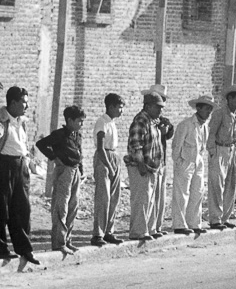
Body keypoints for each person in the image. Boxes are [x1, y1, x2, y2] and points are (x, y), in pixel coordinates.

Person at [36, 106, 86, 259]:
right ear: (69, 120)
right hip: (64, 171)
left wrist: (81, 170)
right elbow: (41, 144)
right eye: (79, 121)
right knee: (61, 207)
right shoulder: (59, 135)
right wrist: (54, 157)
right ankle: (59, 242)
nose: (81, 125)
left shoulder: (77, 135)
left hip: (75, 171)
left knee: (73, 206)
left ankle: (67, 240)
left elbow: (79, 152)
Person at [0, 86, 40, 270]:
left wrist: (30, 163)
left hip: (21, 166)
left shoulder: (21, 121)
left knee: (22, 209)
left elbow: (24, 146)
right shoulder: (2, 119)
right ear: (13, 102)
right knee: (3, 209)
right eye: (24, 102)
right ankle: (1, 248)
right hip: (4, 165)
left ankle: (25, 249)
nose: (27, 105)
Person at [172, 94, 216, 235]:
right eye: (206, 109)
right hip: (185, 161)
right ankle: (179, 224)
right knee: (182, 193)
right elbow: (176, 146)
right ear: (198, 108)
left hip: (198, 161)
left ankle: (194, 223)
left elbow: (202, 147)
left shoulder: (204, 127)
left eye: (210, 109)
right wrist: (179, 162)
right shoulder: (186, 125)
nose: (208, 112)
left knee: (197, 192)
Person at [125, 92, 165, 241]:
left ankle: (149, 228)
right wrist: (141, 163)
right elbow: (136, 145)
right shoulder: (141, 120)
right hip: (140, 166)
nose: (160, 110)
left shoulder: (153, 121)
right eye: (157, 107)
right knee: (141, 199)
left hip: (151, 167)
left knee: (150, 199)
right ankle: (138, 231)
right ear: (148, 106)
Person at [208, 84, 236, 225]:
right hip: (219, 150)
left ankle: (225, 218)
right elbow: (212, 133)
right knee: (216, 185)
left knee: (230, 185)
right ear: (229, 98)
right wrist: (213, 152)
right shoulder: (219, 114)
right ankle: (215, 219)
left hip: (231, 151)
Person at [91, 93, 125, 247]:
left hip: (114, 156)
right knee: (103, 198)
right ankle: (97, 234)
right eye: (119, 107)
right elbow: (100, 147)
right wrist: (109, 166)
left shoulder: (112, 123)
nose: (121, 111)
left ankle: (108, 231)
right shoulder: (102, 122)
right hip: (103, 158)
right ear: (110, 106)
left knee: (114, 197)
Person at [141, 84, 174, 238]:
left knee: (159, 196)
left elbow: (167, 135)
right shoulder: (145, 120)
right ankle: (148, 227)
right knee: (150, 197)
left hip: (160, 160)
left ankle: (156, 226)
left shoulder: (160, 119)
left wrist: (166, 131)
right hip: (151, 161)